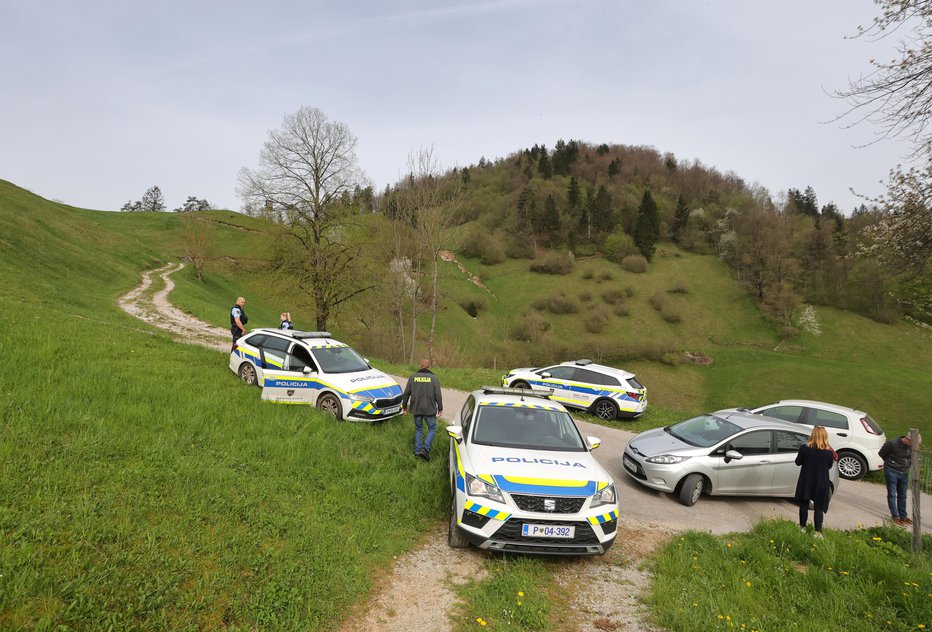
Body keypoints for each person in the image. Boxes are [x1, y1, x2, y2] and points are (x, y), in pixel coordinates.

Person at [794, 426, 836, 538]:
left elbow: (798, 462)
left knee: (803, 504)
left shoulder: (804, 448)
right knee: (819, 507)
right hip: (821, 482)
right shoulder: (829, 453)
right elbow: (829, 466)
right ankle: (818, 532)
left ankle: (802, 527)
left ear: (812, 436)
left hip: (806, 480)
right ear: (825, 437)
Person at [401, 359, 443, 461]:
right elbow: (438, 395)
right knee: (432, 429)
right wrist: (440, 408)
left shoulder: (412, 377)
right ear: (429, 367)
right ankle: (425, 449)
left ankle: (418, 451)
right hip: (430, 410)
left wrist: (404, 407)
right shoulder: (434, 378)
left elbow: (406, 393)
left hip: (416, 408)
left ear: (420, 366)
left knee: (418, 429)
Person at [879, 435, 913, 526]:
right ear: (907, 439)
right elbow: (882, 453)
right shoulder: (892, 443)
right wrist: (891, 463)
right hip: (891, 471)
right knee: (892, 494)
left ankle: (903, 516)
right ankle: (895, 516)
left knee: (903, 495)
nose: (913, 445)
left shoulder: (911, 446)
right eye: (912, 443)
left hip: (904, 473)